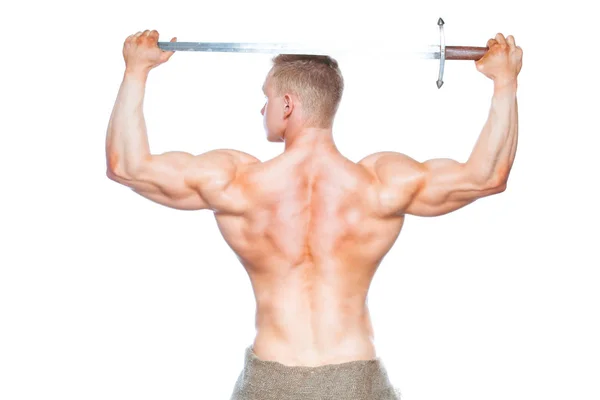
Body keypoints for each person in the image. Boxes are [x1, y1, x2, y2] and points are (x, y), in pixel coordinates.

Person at [106, 29, 523, 400]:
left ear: (287, 104)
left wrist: (136, 71)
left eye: (266, 98)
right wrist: (505, 82)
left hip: (270, 384)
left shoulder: (237, 182)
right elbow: (486, 176)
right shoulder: (380, 184)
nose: (262, 109)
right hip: (357, 382)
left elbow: (126, 165)